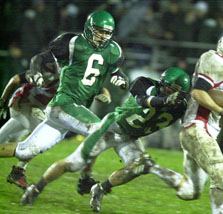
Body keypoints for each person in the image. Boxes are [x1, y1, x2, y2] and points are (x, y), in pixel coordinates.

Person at [20, 67, 193, 211]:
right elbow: (142, 100)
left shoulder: (181, 107)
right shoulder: (145, 83)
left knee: (136, 168)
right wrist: (165, 100)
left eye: (174, 92)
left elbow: (194, 117)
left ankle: (100, 188)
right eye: (169, 88)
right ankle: (36, 188)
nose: (169, 92)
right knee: (74, 163)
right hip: (111, 128)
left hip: (130, 137)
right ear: (163, 83)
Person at [0, 10, 128, 190]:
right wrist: (36, 73)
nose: (102, 36)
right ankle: (88, 178)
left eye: (107, 32)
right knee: (102, 131)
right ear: (89, 28)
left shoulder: (114, 50)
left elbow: (117, 73)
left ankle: (82, 178)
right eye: (99, 31)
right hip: (65, 103)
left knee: (26, 150)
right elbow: (40, 59)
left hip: (67, 109)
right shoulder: (72, 42)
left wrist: (121, 80)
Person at [174, 32, 223, 214]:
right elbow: (198, 92)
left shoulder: (222, 65)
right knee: (222, 178)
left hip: (203, 129)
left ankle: (154, 169)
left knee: (190, 192)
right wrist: (220, 109)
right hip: (197, 128)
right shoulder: (218, 62)